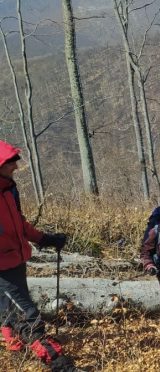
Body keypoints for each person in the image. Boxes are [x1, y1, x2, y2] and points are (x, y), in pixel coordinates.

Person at [0, 140, 76, 371]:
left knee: (8, 310)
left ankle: (15, 356)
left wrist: (44, 238)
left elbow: (19, 224)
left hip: (15, 261)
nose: (16, 166)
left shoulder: (8, 189)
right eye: (11, 162)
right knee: (27, 314)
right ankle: (58, 363)